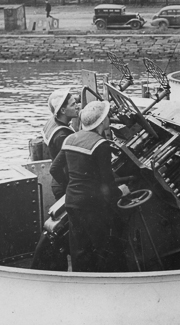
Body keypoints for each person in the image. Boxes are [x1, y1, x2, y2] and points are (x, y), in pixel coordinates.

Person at [50, 100, 129, 272]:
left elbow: (54, 169)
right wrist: (121, 193)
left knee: (80, 248)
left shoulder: (71, 138)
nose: (109, 118)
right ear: (101, 122)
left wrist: (71, 186)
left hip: (72, 202)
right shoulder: (101, 144)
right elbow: (107, 182)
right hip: (93, 206)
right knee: (103, 248)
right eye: (107, 116)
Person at [42, 87, 80, 200]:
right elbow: (57, 168)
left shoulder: (54, 121)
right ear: (63, 110)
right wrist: (69, 187)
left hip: (58, 181)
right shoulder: (62, 136)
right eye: (73, 105)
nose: (77, 106)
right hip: (63, 185)